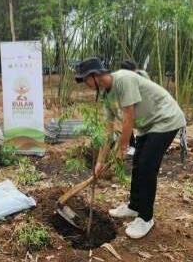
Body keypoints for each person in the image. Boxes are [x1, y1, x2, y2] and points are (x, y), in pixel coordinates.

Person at [75, 57, 186, 239]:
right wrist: (101, 161)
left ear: (93, 75)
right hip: (147, 126)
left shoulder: (123, 79)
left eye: (84, 79)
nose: (84, 84)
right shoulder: (107, 96)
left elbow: (128, 118)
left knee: (147, 167)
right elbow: (107, 132)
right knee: (137, 165)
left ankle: (146, 218)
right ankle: (134, 207)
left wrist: (121, 149)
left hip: (165, 119)